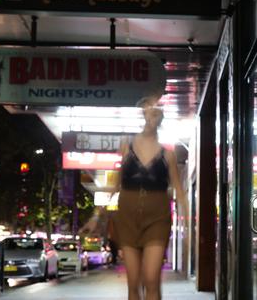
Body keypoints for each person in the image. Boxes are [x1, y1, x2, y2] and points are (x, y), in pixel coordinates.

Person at [81, 96, 188, 300]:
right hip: (128, 218)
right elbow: (114, 185)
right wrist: (96, 216)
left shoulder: (168, 155)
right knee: (133, 283)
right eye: (148, 112)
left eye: (156, 113)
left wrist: (190, 227)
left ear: (161, 119)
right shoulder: (126, 146)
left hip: (157, 218)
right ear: (143, 115)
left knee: (151, 279)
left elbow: (180, 192)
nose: (151, 117)